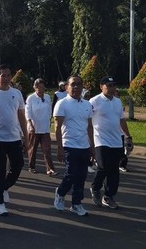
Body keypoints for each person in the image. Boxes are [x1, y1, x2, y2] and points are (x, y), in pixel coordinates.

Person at [0, 64, 28, 216]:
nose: (6, 78)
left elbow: (21, 116)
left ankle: (4, 187)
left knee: (18, 165)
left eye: (9, 75)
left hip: (14, 137)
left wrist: (26, 136)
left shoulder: (17, 93)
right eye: (3, 75)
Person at [88, 76, 133, 210]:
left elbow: (121, 120)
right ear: (101, 86)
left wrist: (128, 136)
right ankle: (95, 188)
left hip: (116, 140)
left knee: (114, 171)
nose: (112, 88)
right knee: (103, 166)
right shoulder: (94, 101)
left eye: (113, 85)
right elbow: (87, 120)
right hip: (100, 139)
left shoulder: (118, 102)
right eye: (109, 86)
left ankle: (108, 196)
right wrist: (88, 139)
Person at [52, 75, 94, 217]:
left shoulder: (87, 105)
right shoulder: (62, 104)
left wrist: (92, 147)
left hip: (84, 146)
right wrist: (59, 148)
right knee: (71, 174)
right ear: (67, 87)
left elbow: (89, 127)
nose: (76, 87)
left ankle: (76, 204)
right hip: (69, 144)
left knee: (82, 176)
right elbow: (57, 128)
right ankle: (60, 192)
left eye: (79, 84)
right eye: (73, 84)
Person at [25, 78, 56, 176]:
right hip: (34, 127)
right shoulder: (31, 98)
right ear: (35, 87)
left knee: (47, 149)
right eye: (38, 87)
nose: (41, 89)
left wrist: (49, 120)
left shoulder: (47, 97)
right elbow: (28, 111)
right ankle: (32, 166)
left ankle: (50, 169)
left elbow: (49, 110)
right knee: (33, 148)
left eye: (43, 87)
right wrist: (29, 123)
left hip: (45, 127)